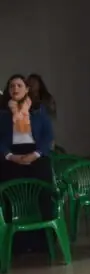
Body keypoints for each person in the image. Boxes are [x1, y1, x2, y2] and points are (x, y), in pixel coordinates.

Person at [1, 75, 56, 253]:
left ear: (26, 89)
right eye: (11, 87)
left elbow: (48, 136)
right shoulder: (2, 115)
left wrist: (36, 153)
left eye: (19, 85)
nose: (15, 89)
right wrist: (10, 156)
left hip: (36, 156)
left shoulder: (39, 112)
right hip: (12, 158)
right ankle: (17, 243)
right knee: (12, 196)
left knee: (42, 195)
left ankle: (44, 241)